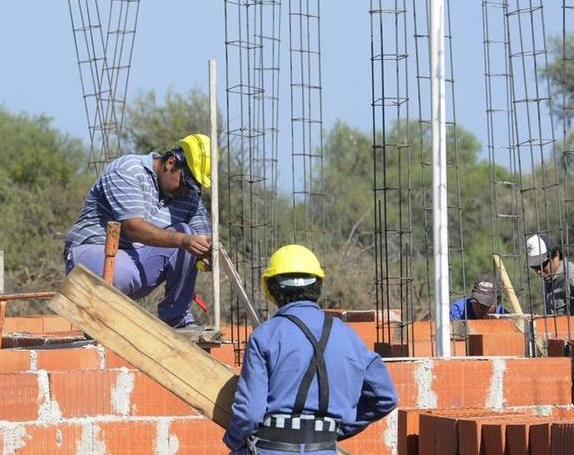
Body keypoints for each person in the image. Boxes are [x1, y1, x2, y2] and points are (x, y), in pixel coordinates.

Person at [223, 244, 398, 455]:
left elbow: (250, 414)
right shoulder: (350, 337)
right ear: (318, 285)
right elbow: (385, 397)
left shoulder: (265, 336)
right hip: (324, 448)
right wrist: (336, 428)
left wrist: (234, 441)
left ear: (271, 288)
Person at [63, 134, 213, 329]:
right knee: (180, 241)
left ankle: (178, 319)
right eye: (185, 183)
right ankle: (102, 322)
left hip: (134, 264)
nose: (186, 191)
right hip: (93, 252)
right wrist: (185, 240)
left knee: (189, 236)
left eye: (194, 186)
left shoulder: (189, 196)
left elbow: (203, 237)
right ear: (170, 163)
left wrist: (207, 253)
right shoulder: (128, 170)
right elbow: (133, 228)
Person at [526, 232, 574, 316]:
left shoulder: (573, 277)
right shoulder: (548, 277)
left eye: (542, 265)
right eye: (534, 267)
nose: (539, 271)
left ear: (556, 256)